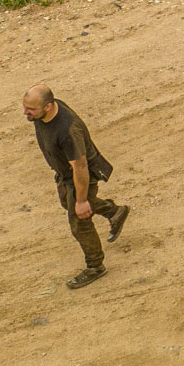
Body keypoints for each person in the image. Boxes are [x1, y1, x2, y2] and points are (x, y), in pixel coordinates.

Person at [23, 85, 128, 290]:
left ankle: (95, 266)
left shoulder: (67, 130)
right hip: (65, 175)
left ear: (48, 106)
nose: (26, 113)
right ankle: (115, 212)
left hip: (80, 176)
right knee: (66, 202)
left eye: (31, 109)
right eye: (25, 107)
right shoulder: (46, 112)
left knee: (80, 220)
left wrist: (81, 200)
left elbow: (80, 166)